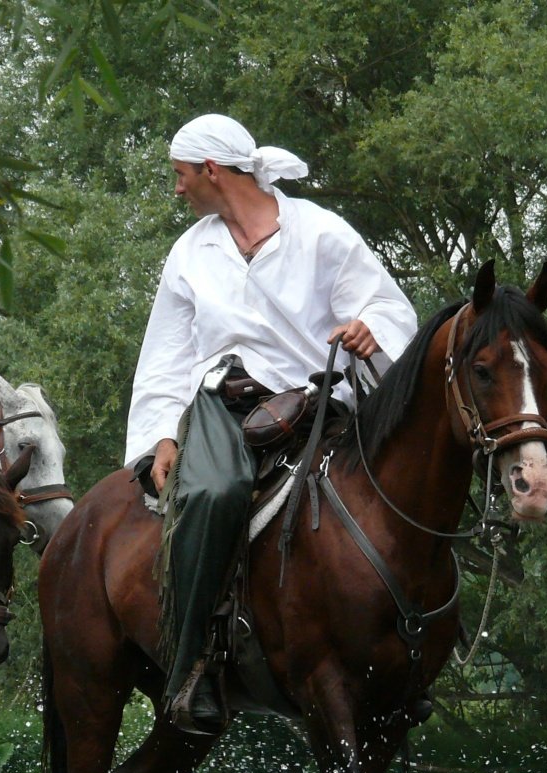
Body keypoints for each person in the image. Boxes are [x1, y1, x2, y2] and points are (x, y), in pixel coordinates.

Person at [128, 113, 418, 735]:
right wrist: (161, 436)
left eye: (180, 175)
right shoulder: (190, 252)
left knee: (394, 488)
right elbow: (165, 356)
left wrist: (369, 327)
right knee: (212, 493)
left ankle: (410, 652)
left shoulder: (320, 232)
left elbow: (385, 304)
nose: (177, 188)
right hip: (226, 407)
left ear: (211, 170)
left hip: (317, 403)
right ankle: (193, 668)